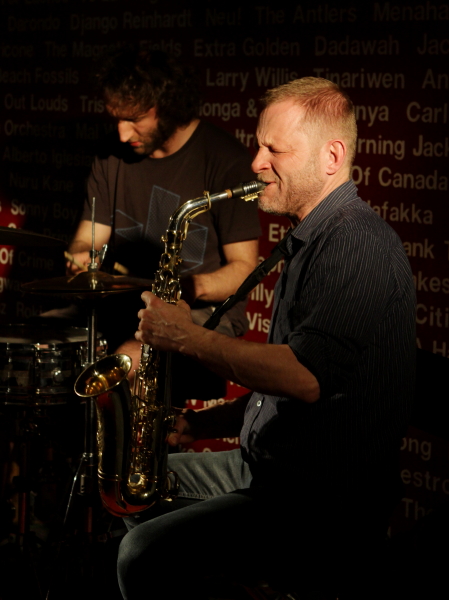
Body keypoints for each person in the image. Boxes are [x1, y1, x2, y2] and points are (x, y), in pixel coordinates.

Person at [117, 78, 416, 599]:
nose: (256, 162)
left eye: (274, 150)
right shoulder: (312, 237)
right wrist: (202, 424)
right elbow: (294, 393)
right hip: (275, 472)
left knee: (140, 553)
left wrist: (184, 336)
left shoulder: (355, 244)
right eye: (259, 146)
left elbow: (304, 378)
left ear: (331, 156)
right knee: (133, 489)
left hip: (322, 502)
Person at [67, 48, 260, 398]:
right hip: (125, 304)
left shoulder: (224, 158)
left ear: (168, 105)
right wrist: (82, 257)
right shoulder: (112, 155)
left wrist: (185, 287)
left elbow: (244, 270)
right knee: (44, 340)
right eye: (117, 120)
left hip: (199, 310)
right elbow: (87, 240)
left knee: (128, 360)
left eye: (135, 119)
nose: (122, 134)